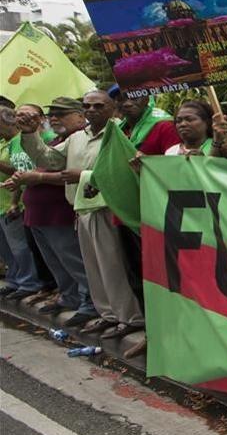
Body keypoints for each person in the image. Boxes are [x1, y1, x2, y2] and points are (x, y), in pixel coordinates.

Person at [17, 91, 146, 349]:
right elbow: (49, 160)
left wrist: (85, 175)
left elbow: (121, 171)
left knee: (113, 267)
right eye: (87, 106)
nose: (92, 110)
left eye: (99, 106)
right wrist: (31, 134)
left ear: (112, 108)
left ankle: (130, 318)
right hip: (81, 208)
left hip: (107, 207)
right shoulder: (77, 137)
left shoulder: (120, 134)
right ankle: (108, 314)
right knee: (94, 267)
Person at [4, 98, 97, 323]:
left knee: (75, 260)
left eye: (62, 114)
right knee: (56, 260)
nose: (55, 118)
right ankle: (69, 296)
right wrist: (29, 133)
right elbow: (46, 160)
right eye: (53, 114)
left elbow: (77, 173)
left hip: (64, 211)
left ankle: (90, 302)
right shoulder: (62, 139)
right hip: (38, 211)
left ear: (79, 116)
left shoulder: (86, 137)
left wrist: (39, 177)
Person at [0, 107, 45, 302]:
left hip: (20, 203)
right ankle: (15, 280)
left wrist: (13, 202)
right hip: (6, 203)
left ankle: (29, 282)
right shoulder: (5, 143)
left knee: (20, 247)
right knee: (7, 248)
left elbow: (19, 172)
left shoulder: (23, 141)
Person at [113, 85, 180, 154]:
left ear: (146, 99)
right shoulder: (117, 130)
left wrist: (148, 160)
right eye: (120, 99)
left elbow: (176, 161)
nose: (127, 104)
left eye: (134, 98)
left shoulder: (165, 127)